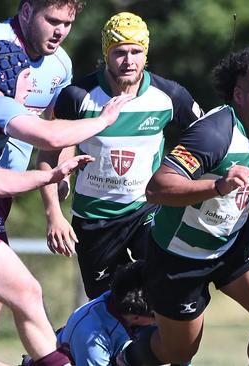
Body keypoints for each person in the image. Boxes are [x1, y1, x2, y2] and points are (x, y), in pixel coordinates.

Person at [115, 47, 249, 366]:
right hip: (179, 256)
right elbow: (156, 188)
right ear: (239, 94)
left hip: (233, 241)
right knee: (179, 351)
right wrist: (217, 186)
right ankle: (124, 360)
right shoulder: (214, 133)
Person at [0, 40, 129, 366]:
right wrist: (104, 119)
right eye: (26, 78)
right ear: (10, 75)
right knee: (26, 293)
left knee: (26, 292)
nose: (28, 87)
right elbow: (50, 137)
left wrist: (50, 176)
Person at [38, 11, 203, 299]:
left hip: (146, 210)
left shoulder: (170, 96)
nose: (129, 61)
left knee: (163, 290)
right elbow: (48, 152)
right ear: (106, 54)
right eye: (120, 52)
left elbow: (205, 139)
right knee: (109, 306)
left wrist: (183, 181)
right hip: (94, 219)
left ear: (146, 53)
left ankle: (158, 343)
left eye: (136, 52)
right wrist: (54, 213)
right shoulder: (77, 96)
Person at [0, 0, 86, 351]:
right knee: (0, 287)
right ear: (27, 11)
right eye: (52, 20)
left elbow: (55, 134)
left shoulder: (61, 65)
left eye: (68, 23)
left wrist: (54, 209)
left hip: (1, 189)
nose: (60, 31)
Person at [56, 260, 156, 366]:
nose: (160, 318)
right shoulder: (93, 343)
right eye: (155, 315)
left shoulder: (121, 297)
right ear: (136, 317)